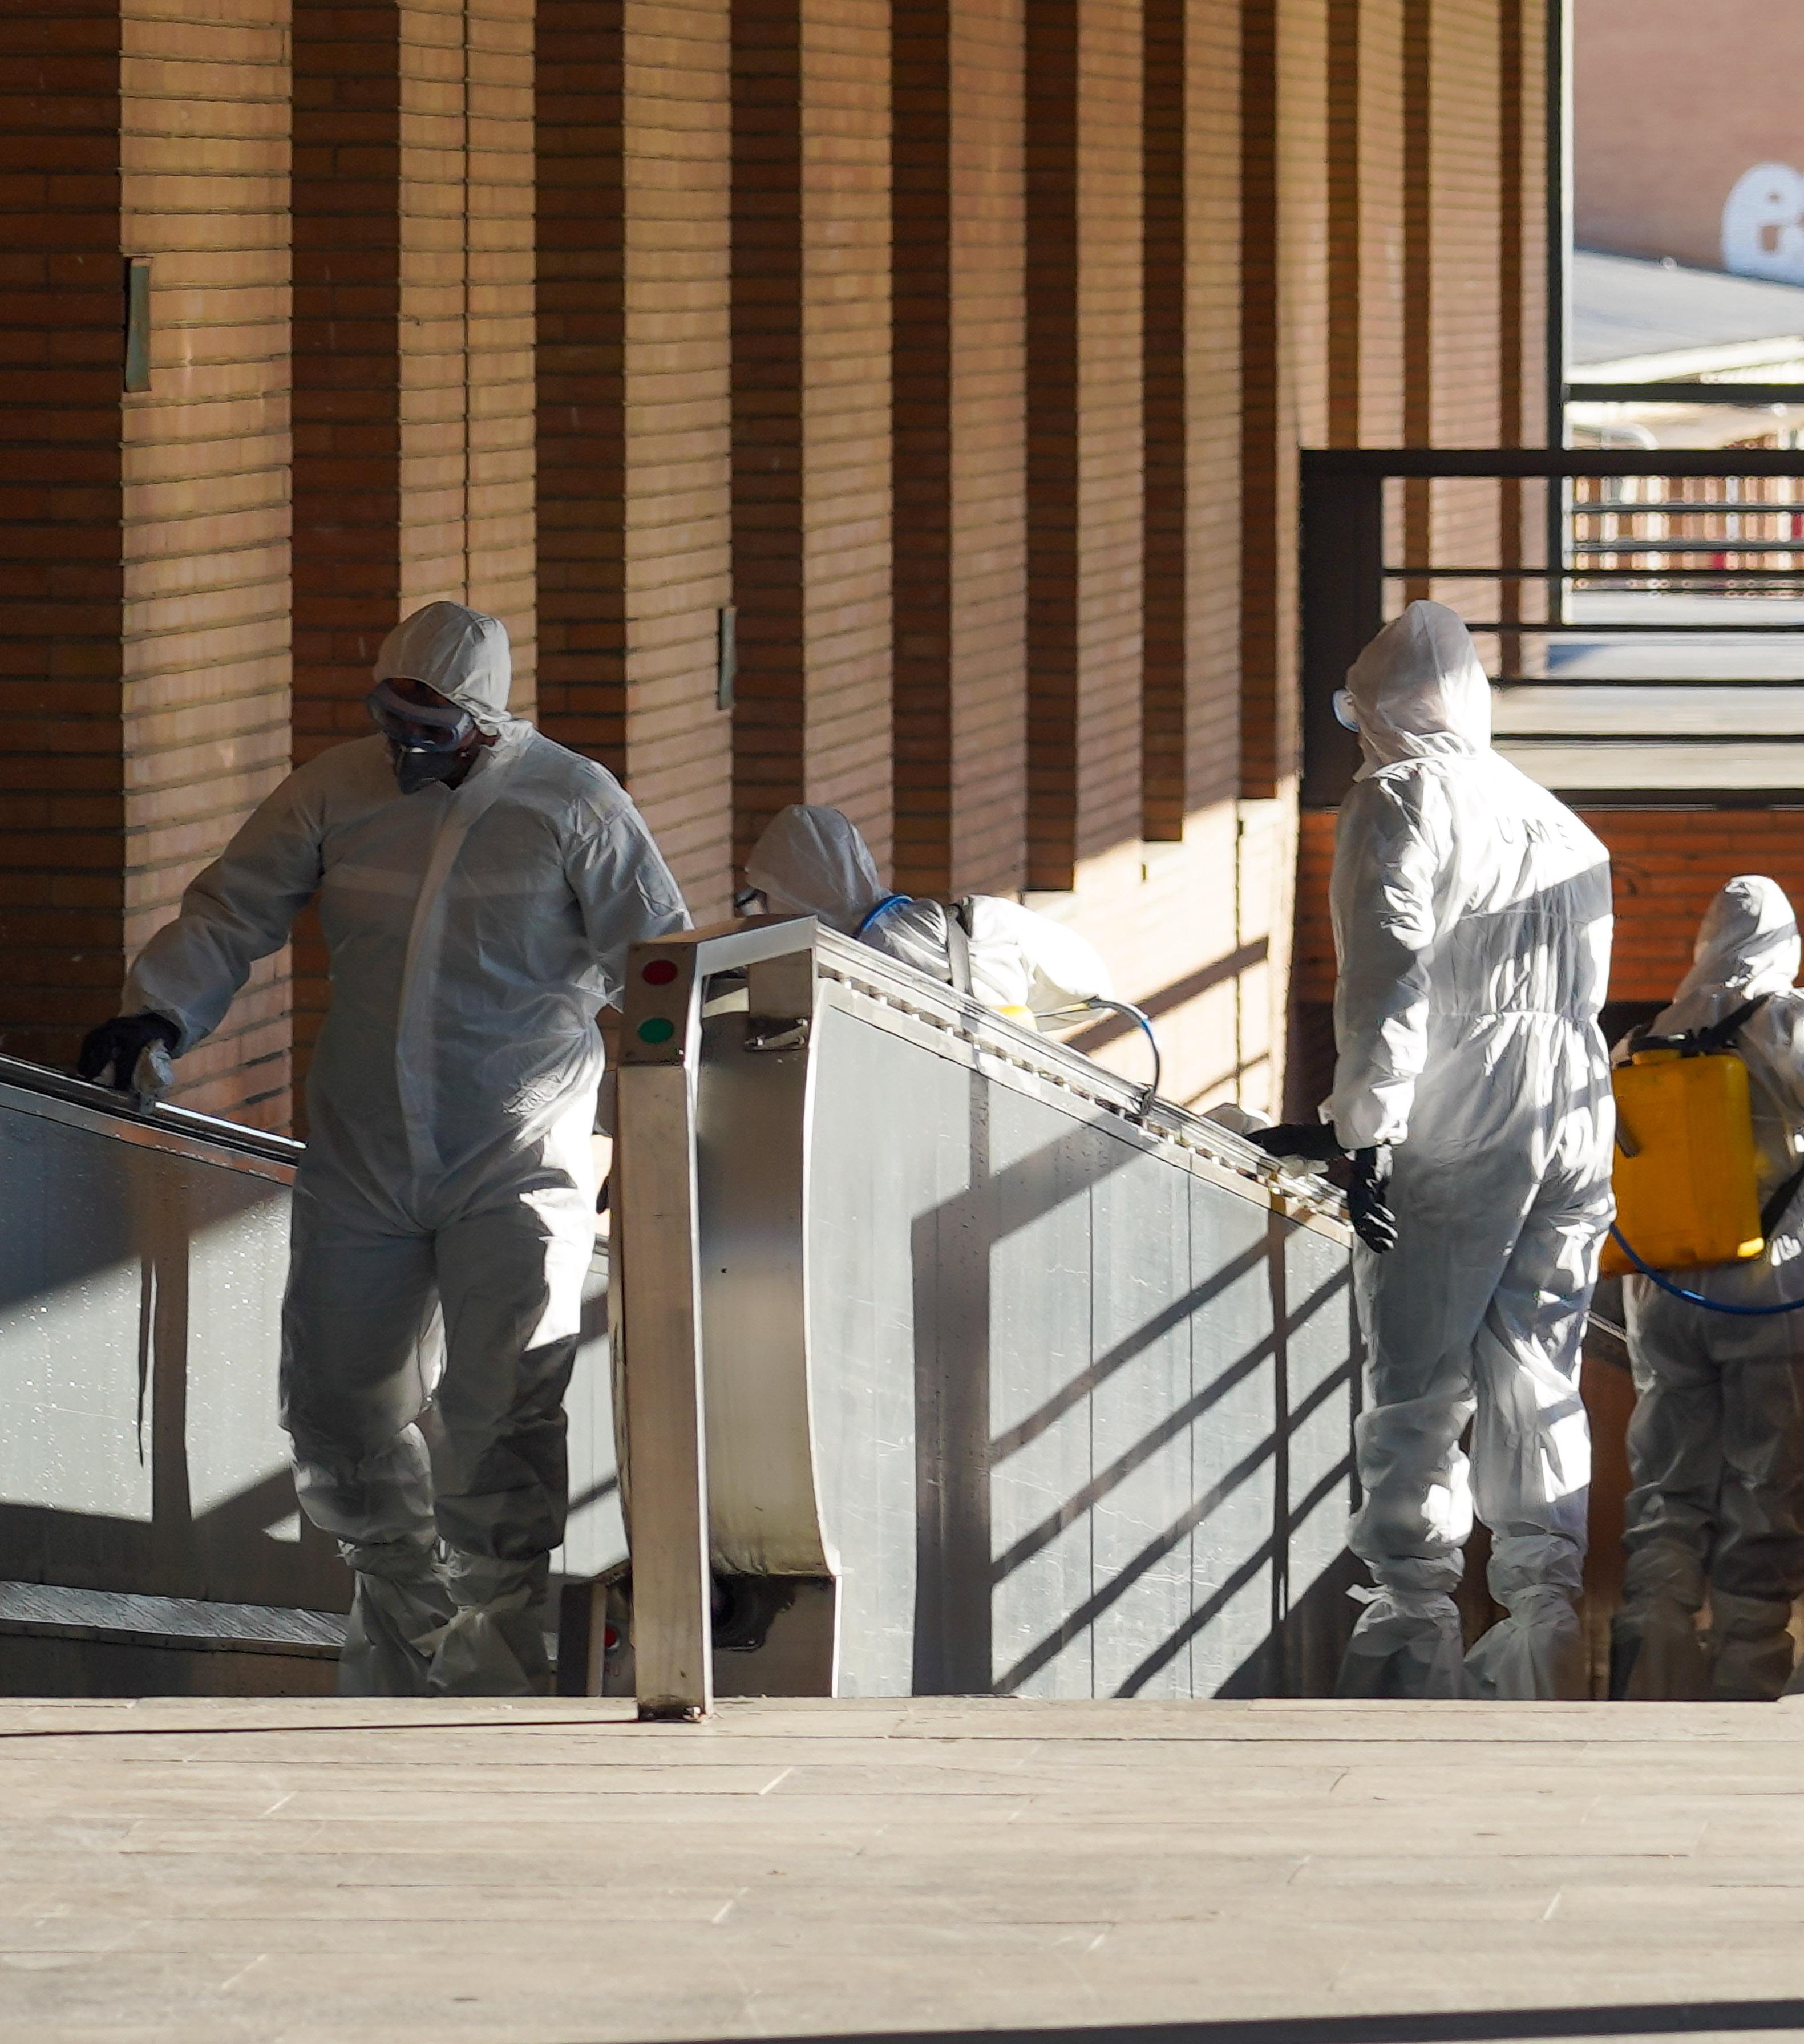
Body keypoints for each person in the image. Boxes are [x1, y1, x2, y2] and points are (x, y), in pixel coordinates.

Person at [76, 600, 689, 1697]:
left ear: (487, 721)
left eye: (431, 722)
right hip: (364, 1150)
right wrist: (158, 1012)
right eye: (392, 713)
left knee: (501, 1407)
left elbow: (661, 969)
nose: (405, 741)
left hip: (518, 1149)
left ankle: (496, 1663)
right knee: (336, 1403)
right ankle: (405, 1629)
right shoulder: (335, 790)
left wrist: (662, 1132)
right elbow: (233, 909)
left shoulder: (576, 805)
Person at [1256, 600, 1617, 1700]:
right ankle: (1543, 1633)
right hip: (1576, 1100)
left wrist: (1364, 1128)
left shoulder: (1402, 796)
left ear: (1376, 705)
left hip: (1465, 1100)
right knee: (1538, 1372)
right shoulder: (1560, 822)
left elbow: (1389, 973)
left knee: (1418, 1375)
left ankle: (1412, 1633)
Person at [1608, 875, 1804, 1703]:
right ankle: (1746, 1678)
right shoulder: (1795, 1018)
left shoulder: (1639, 1040)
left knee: (1667, 1486)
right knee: (1772, 1481)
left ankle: (1652, 1673)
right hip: (1774, 1288)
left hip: (1663, 1294)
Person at [737, 802, 1117, 1024]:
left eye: (767, 897)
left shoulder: (876, 955)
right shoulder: (958, 925)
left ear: (796, 893)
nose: (766, 911)